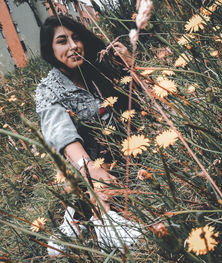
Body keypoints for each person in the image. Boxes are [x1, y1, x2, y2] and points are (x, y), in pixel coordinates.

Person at [35, 15, 141, 256]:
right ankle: (103, 222)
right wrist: (88, 166)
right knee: (91, 165)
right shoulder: (48, 90)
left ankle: (78, 219)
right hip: (90, 159)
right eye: (62, 41)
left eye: (76, 38)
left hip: (130, 148)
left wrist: (129, 65)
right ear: (50, 50)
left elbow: (144, 97)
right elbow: (61, 134)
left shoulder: (99, 66)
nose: (73, 46)